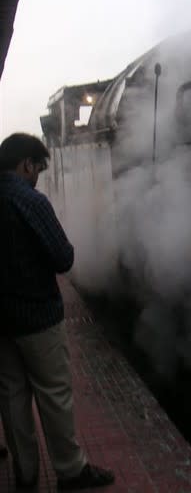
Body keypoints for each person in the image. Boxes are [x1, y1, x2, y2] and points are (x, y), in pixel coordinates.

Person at [0, 133, 115, 490]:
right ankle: (70, 470)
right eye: (37, 168)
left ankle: (26, 472)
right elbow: (63, 258)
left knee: (12, 397)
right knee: (54, 394)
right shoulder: (30, 201)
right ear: (26, 165)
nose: (37, 176)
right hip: (37, 320)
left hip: (1, 324)